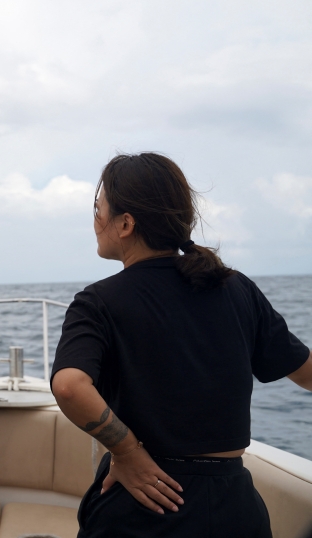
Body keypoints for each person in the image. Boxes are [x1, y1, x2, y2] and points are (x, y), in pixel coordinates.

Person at [51, 152, 312, 538]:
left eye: (97, 208)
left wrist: (126, 452)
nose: (94, 220)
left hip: (147, 505)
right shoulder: (236, 287)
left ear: (125, 224)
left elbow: (70, 386)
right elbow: (307, 373)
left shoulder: (99, 301)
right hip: (236, 509)